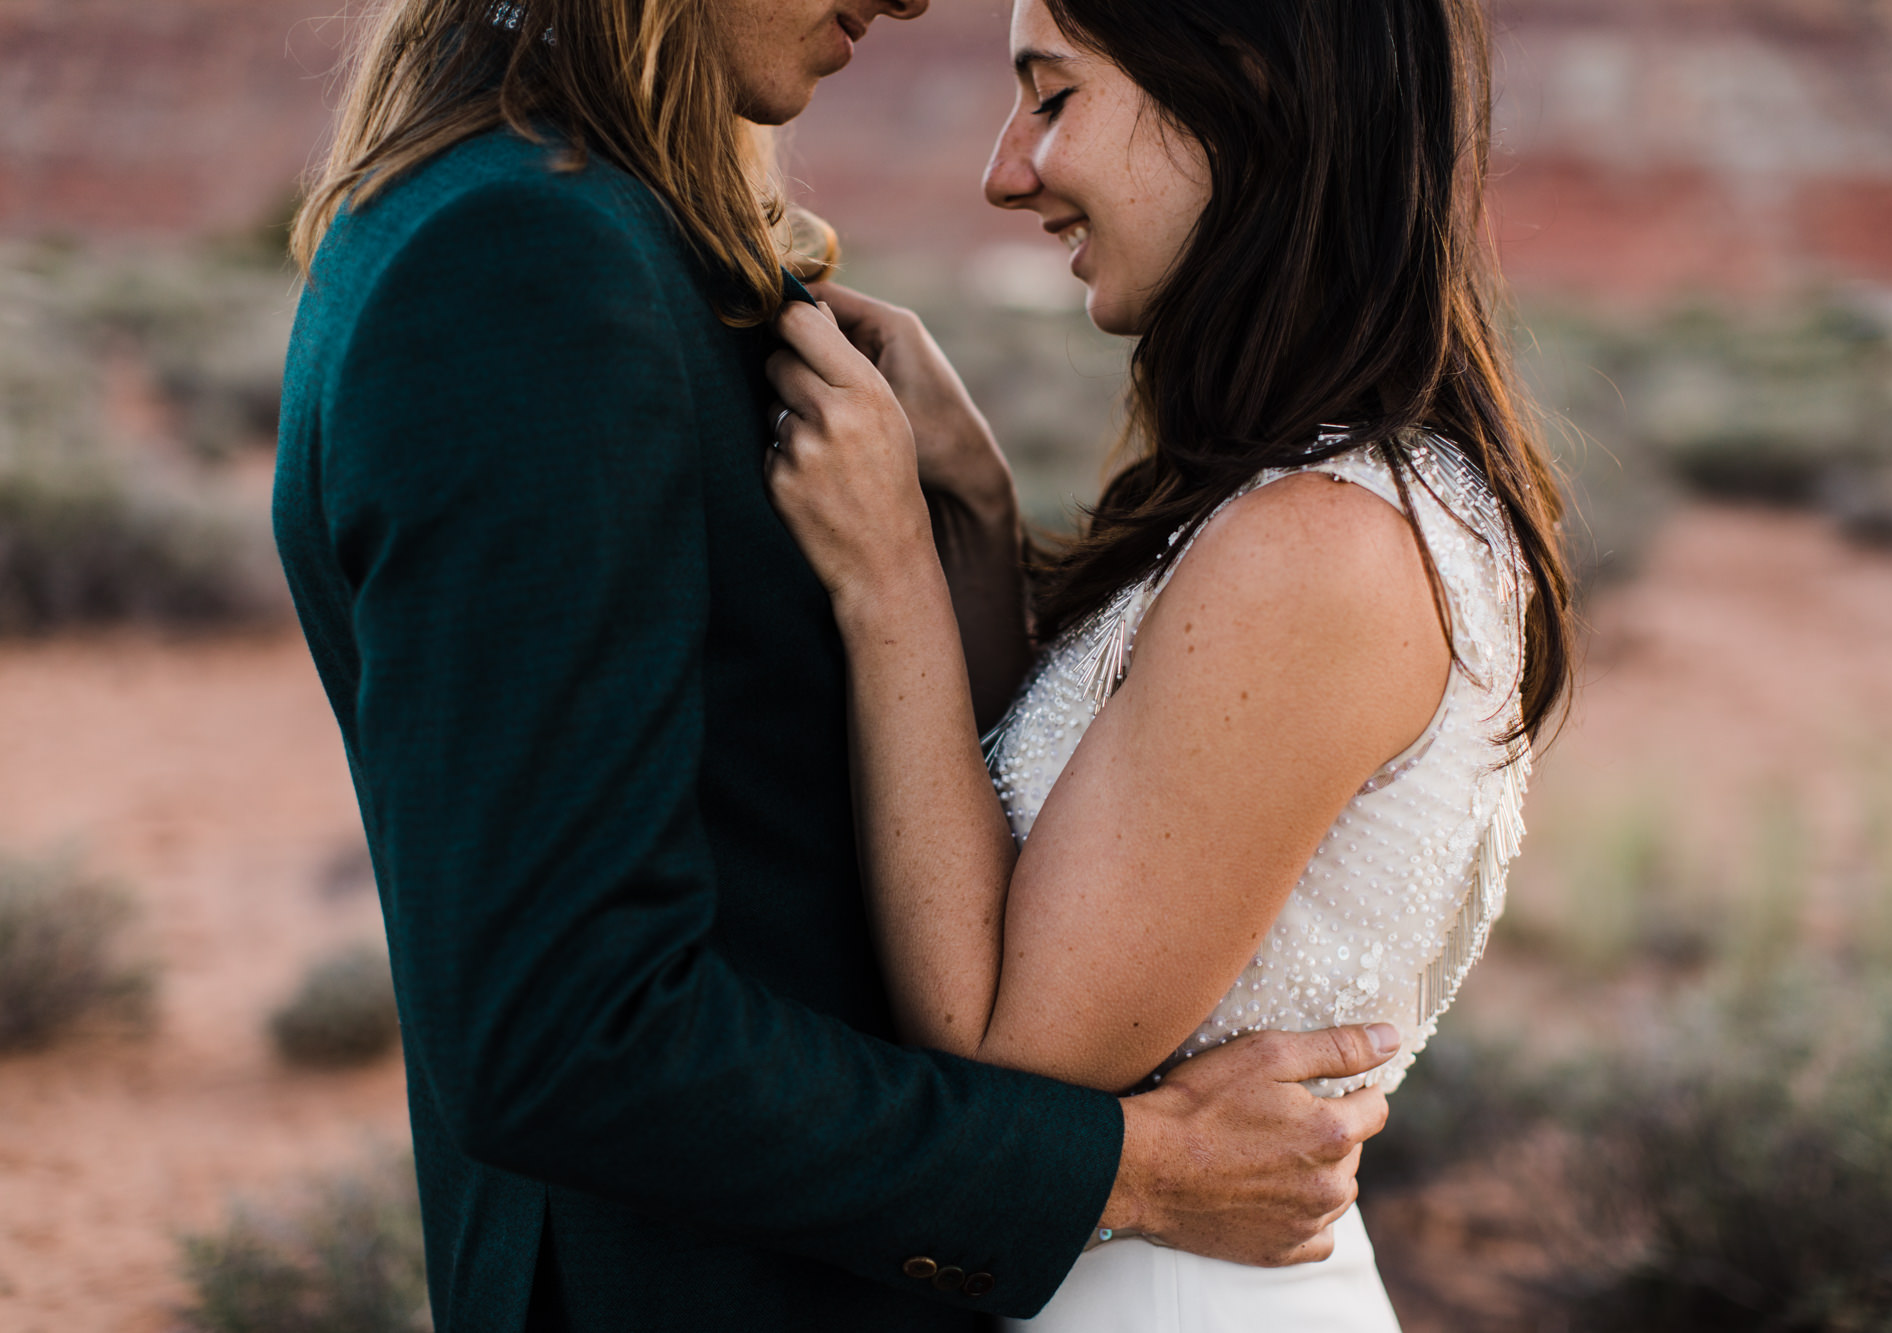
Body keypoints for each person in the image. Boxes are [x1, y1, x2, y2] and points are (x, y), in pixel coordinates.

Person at [271, 0, 1406, 1329]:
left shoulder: (596, 231)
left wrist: (965, 522)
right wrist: (1133, 1169)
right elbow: (564, 1032)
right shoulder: (524, 262)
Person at [761, 0, 1578, 1325]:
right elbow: (1053, 836)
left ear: (1242, 88)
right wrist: (969, 501)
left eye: (1057, 95)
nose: (1005, 169)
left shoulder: (1324, 542)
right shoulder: (1331, 491)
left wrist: (887, 568)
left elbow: (1009, 1049)